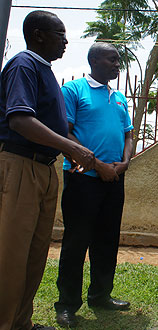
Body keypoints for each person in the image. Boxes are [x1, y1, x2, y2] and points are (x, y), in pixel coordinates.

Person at [0, 10, 95, 330]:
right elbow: (20, 119)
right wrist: (70, 146)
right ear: (38, 34)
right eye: (60, 34)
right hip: (20, 165)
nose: (67, 41)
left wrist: (64, 149)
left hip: (43, 169)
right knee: (11, 256)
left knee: (34, 253)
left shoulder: (44, 70)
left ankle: (20, 322)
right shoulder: (23, 64)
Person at [54, 42, 133, 327]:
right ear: (94, 60)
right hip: (83, 178)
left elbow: (128, 134)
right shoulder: (73, 90)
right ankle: (67, 305)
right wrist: (97, 165)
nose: (117, 64)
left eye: (118, 60)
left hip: (114, 179)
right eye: (112, 59)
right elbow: (65, 132)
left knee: (107, 240)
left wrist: (124, 163)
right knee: (77, 241)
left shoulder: (120, 97)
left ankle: (101, 295)